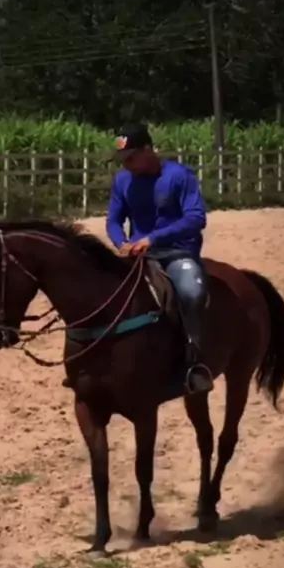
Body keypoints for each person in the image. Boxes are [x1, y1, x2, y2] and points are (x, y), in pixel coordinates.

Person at [106, 121, 214, 394]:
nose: (126, 164)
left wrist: (152, 239)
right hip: (138, 254)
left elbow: (196, 217)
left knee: (190, 292)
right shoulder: (123, 181)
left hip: (177, 252)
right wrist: (121, 243)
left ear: (148, 150)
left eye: (131, 158)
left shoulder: (180, 176)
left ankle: (193, 362)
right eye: (122, 159)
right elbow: (114, 220)